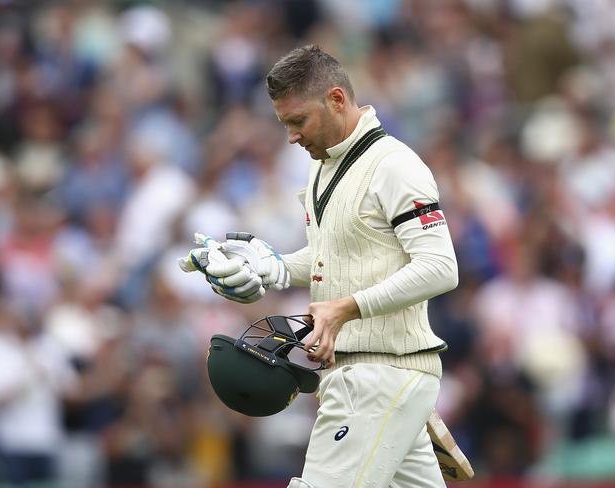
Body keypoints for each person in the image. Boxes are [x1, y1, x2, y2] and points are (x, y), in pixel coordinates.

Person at [180, 45, 459, 488]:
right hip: (371, 375)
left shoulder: (395, 165)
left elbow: (441, 267)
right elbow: (336, 255)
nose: (291, 136)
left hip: (378, 375)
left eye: (298, 121)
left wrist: (345, 307)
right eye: (284, 123)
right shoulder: (323, 167)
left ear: (336, 99)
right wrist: (270, 267)